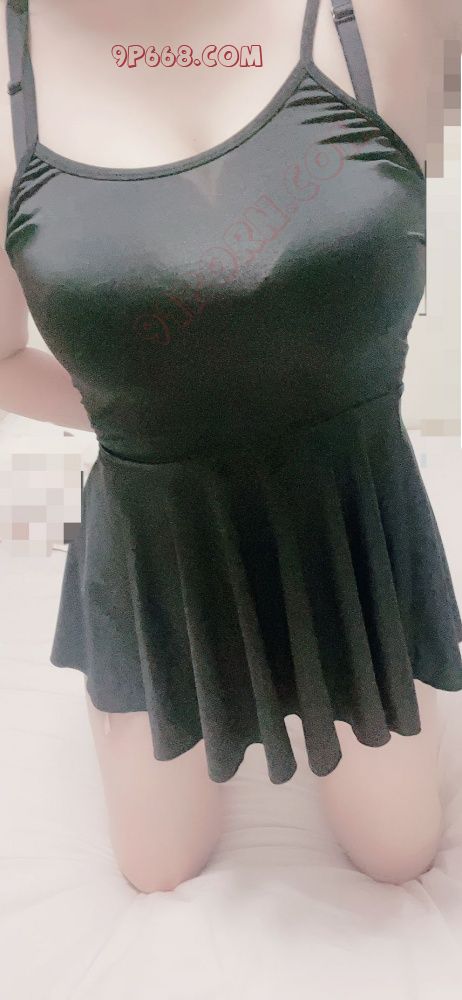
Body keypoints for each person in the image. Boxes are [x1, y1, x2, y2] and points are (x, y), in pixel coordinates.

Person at [0, 0, 460, 894]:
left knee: (398, 853)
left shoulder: (385, 19)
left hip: (348, 526)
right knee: (159, 869)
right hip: (159, 544)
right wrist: (144, 414)